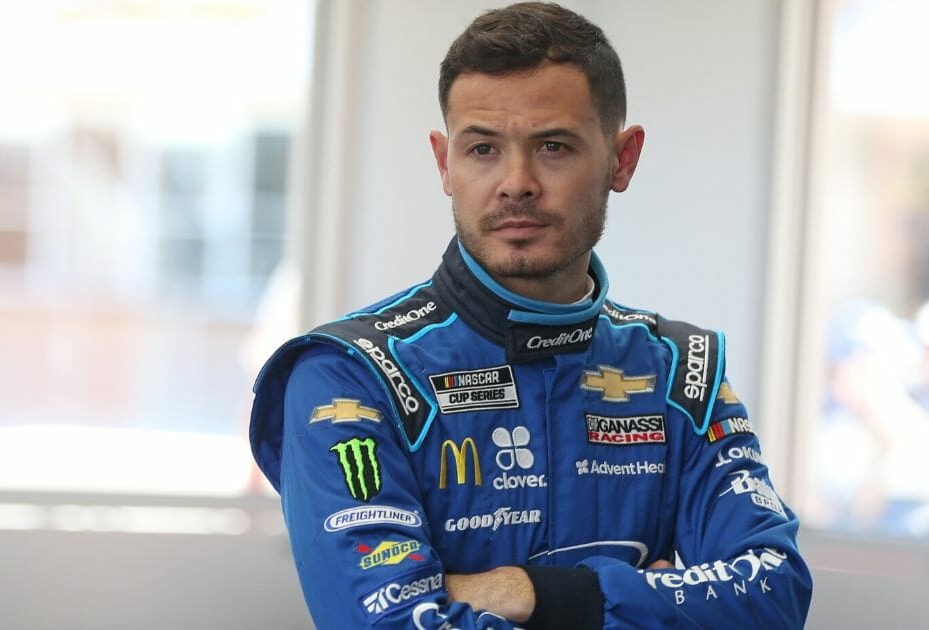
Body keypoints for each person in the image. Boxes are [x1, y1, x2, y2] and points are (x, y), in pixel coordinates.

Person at [248, 2, 813, 628]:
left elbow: (775, 593)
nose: (516, 183)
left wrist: (540, 594)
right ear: (445, 163)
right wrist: (656, 600)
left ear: (621, 160)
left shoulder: (682, 372)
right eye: (484, 148)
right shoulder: (349, 376)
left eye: (552, 146)